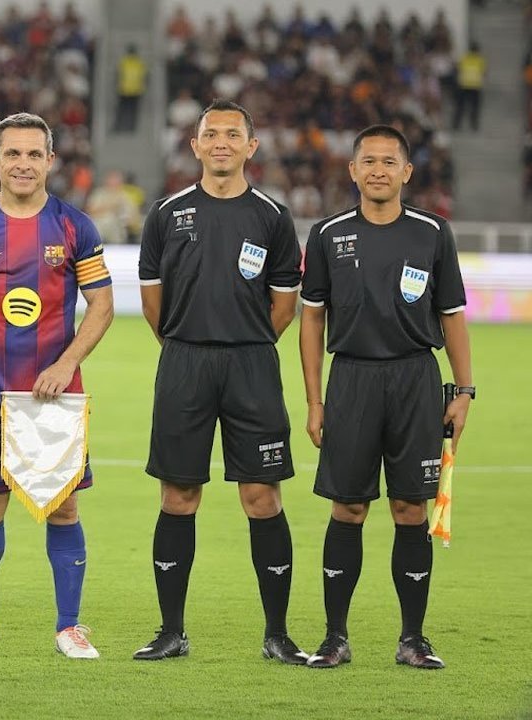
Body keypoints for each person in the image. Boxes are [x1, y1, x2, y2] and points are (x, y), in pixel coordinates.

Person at [0, 112, 115, 659]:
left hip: (53, 397)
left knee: (63, 509)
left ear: (50, 161)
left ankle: (69, 627)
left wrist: (66, 364)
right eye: (12, 153)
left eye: (34, 154)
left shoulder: (74, 227)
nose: (22, 164)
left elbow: (102, 306)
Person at [135, 99, 308, 664]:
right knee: (179, 494)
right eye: (212, 134)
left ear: (251, 147)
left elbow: (285, 305)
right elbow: (153, 303)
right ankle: (171, 631)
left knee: (261, 497)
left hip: (252, 366)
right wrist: (190, 346)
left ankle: (277, 634)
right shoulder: (166, 213)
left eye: (234, 135)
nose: (222, 143)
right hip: (184, 363)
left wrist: (245, 343)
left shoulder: (273, 217)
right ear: (196, 145)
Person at [300, 125, 472, 670]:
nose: (378, 169)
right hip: (350, 380)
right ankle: (334, 638)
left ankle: (413, 639)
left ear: (406, 171)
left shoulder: (432, 232)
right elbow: (311, 320)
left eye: (388, 161)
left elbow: (452, 317)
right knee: (347, 507)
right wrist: (314, 399)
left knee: (409, 507)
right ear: (351, 171)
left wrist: (464, 390)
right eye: (367, 161)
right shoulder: (327, 233)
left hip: (415, 379)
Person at [114, 44, 147, 133]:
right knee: (130, 111)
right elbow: (144, 77)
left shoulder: (124, 61)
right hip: (134, 90)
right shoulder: (139, 62)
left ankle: (120, 126)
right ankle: (129, 127)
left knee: (123, 110)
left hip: (125, 89)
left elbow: (118, 75)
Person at [453, 41, 485, 131]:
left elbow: (457, 68)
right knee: (473, 108)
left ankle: (456, 125)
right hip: (475, 86)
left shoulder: (464, 57)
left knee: (461, 107)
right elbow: (484, 72)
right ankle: (473, 125)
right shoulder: (480, 59)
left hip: (464, 85)